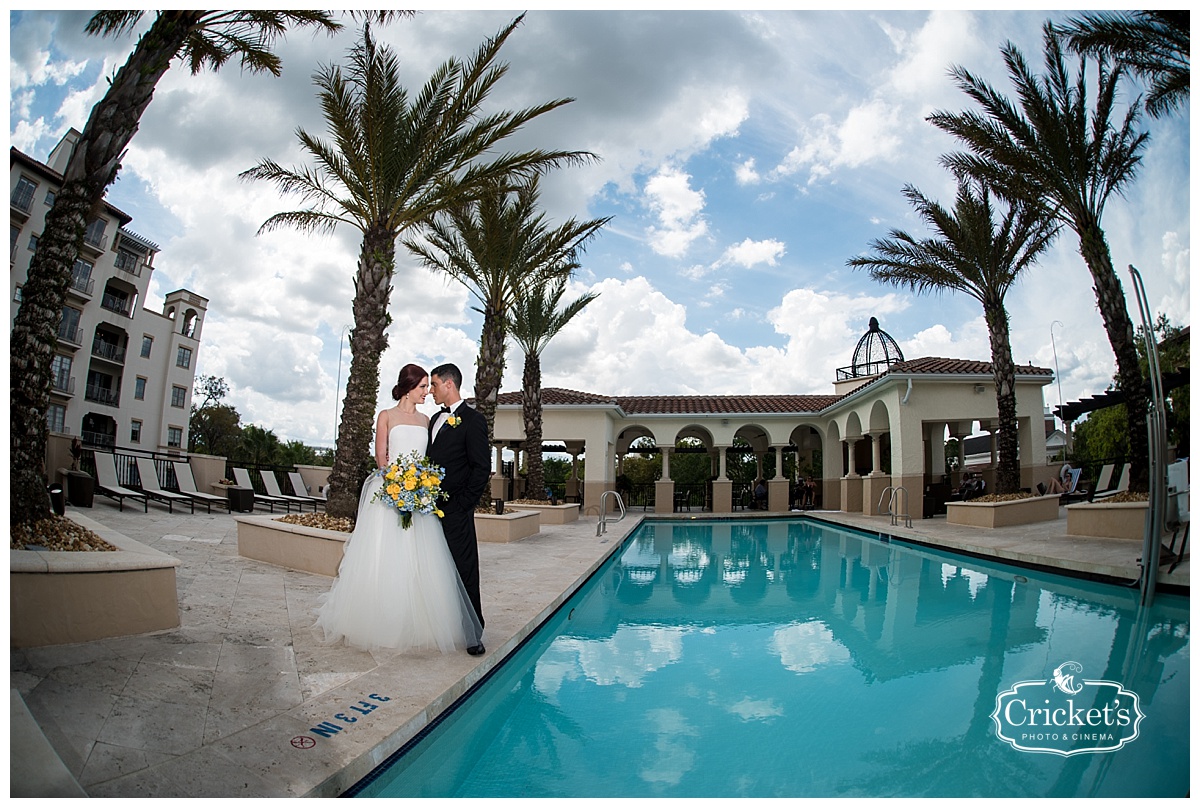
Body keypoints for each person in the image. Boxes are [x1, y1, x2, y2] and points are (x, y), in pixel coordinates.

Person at [314, 364, 482, 654]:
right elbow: (382, 457)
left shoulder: (429, 420)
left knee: (424, 563)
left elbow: (434, 460)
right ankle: (381, 622)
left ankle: (442, 626)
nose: (428, 392)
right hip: (389, 496)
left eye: (432, 385)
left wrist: (419, 488)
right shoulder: (386, 416)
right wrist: (399, 486)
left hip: (422, 503)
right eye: (422, 387)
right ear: (408, 387)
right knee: (386, 559)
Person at [427, 362, 491, 656]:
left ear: (449, 384)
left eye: (434, 385)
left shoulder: (474, 420)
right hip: (429, 510)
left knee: (465, 568)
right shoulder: (433, 420)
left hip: (456, 510)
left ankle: (473, 632)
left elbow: (481, 469)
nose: (431, 391)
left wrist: (462, 505)